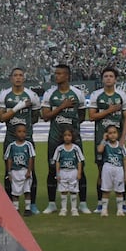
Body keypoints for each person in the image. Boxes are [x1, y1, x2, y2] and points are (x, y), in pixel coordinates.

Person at [42, 63, 89, 214]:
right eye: (55, 73)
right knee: (52, 168)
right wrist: (62, 107)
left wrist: (71, 128)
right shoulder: (50, 94)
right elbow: (45, 116)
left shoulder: (77, 93)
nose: (56, 76)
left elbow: (82, 115)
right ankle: (51, 203)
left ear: (67, 76)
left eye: (60, 73)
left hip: (73, 137)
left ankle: (82, 204)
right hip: (55, 136)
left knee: (79, 167)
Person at [88, 66, 126, 213]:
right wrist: (109, 111)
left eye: (111, 76)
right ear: (102, 79)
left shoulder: (122, 96)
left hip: (117, 140)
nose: (108, 78)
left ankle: (123, 203)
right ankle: (101, 203)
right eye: (105, 76)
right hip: (101, 138)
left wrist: (123, 138)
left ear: (115, 79)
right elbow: (92, 116)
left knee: (121, 168)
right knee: (101, 170)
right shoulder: (96, 95)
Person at [0, 67, 41, 213]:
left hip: (27, 138)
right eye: (15, 75)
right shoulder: (4, 95)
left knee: (31, 171)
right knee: (8, 171)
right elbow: (2, 118)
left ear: (24, 78)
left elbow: (35, 117)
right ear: (11, 78)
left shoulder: (32, 95)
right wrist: (18, 107)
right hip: (10, 139)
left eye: (20, 75)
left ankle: (32, 205)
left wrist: (24, 129)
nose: (18, 78)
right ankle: (10, 204)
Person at [95, 124, 126, 217]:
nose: (112, 135)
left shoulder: (121, 145)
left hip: (118, 169)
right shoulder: (105, 144)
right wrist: (103, 139)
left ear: (117, 134)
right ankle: (104, 209)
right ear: (106, 134)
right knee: (106, 190)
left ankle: (120, 209)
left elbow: (125, 158)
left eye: (114, 132)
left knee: (119, 190)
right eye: (110, 133)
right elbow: (99, 150)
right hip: (107, 168)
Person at [3, 123, 36, 216]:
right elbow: (9, 158)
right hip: (15, 171)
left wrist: (29, 171)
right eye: (19, 131)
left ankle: (28, 209)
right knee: (15, 191)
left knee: (27, 190)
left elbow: (31, 158)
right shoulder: (11, 146)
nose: (22, 134)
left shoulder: (28, 145)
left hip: (25, 171)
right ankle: (15, 209)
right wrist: (9, 172)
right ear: (15, 133)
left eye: (24, 132)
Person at [49, 127, 83, 216]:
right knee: (63, 191)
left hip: (73, 171)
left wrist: (79, 172)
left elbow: (79, 161)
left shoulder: (76, 148)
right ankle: (63, 209)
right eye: (65, 135)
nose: (67, 137)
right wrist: (58, 173)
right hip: (63, 172)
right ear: (62, 137)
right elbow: (57, 161)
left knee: (73, 191)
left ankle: (74, 209)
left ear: (72, 137)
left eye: (69, 135)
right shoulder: (59, 149)